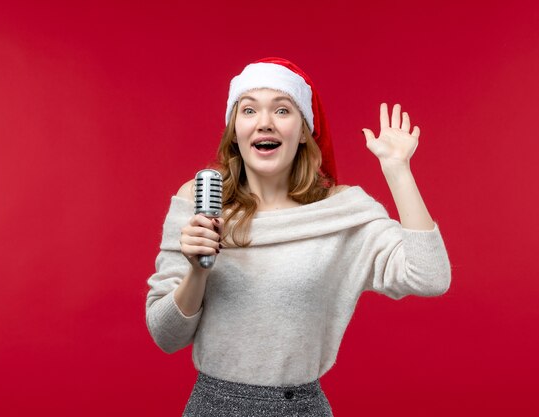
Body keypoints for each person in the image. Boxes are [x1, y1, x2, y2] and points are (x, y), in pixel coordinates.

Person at [145, 57, 451, 417]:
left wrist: (398, 171)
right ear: (234, 128)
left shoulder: (339, 213)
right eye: (249, 110)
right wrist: (197, 271)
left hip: (302, 408)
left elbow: (430, 276)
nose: (264, 123)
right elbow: (166, 336)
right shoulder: (197, 201)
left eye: (282, 110)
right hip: (214, 406)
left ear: (303, 130)